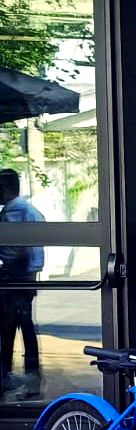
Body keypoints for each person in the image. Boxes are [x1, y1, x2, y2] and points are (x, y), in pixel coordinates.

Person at [0, 169, 44, 399]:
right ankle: (26, 378)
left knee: (11, 329)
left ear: (5, 189)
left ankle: (12, 378)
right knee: (21, 327)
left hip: (16, 277)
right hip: (26, 277)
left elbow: (17, 248)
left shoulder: (14, 210)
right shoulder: (27, 207)